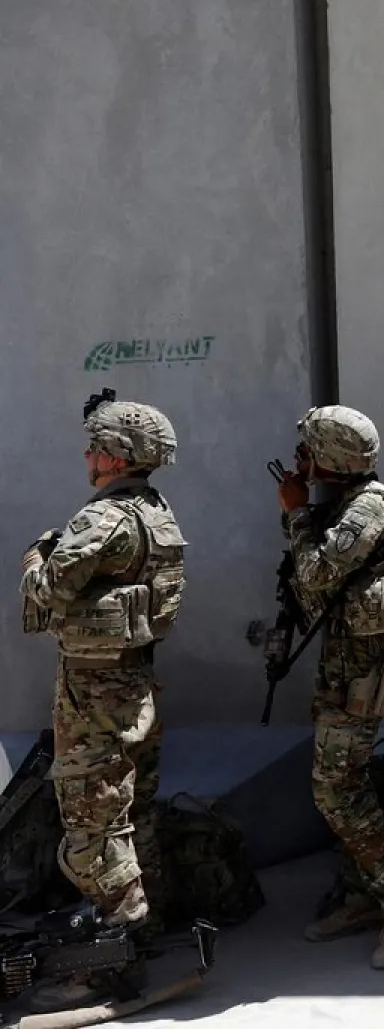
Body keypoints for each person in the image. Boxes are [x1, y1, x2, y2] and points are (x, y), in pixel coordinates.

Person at [18, 389, 184, 1010]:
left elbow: (48, 593)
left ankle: (119, 958)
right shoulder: (155, 511)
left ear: (115, 457)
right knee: (132, 815)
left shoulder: (103, 519)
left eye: (95, 446)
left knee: (90, 830)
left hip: (94, 697)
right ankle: (149, 927)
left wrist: (36, 551)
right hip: (133, 685)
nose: (87, 455)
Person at [274, 405, 384, 970]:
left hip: (362, 667)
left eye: (310, 449)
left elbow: (317, 572)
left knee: (336, 791)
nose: (301, 459)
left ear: (334, 456)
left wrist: (294, 514)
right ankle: (369, 893)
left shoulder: (369, 507)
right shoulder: (345, 503)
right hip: (343, 662)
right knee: (346, 785)